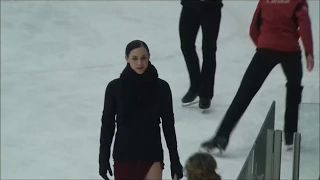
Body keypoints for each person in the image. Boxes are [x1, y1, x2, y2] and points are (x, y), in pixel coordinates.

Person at [200, 0, 314, 152]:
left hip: (265, 50)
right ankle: (290, 136)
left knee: (245, 92)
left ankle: (222, 136)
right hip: (290, 51)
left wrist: (263, 42)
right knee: (294, 89)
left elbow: (254, 28)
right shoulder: (298, 2)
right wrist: (309, 52)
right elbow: (304, 25)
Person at [98, 40, 183, 180]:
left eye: (143, 58)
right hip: (124, 157)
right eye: (134, 58)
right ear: (126, 59)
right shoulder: (115, 88)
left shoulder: (162, 88)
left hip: (152, 155)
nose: (140, 63)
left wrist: (175, 160)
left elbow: (168, 126)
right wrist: (103, 158)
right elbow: (107, 126)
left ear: (149, 57)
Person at [179, 0, 223, 109]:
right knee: (186, 45)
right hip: (190, 5)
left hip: (212, 7)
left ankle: (206, 94)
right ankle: (195, 86)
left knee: (209, 50)